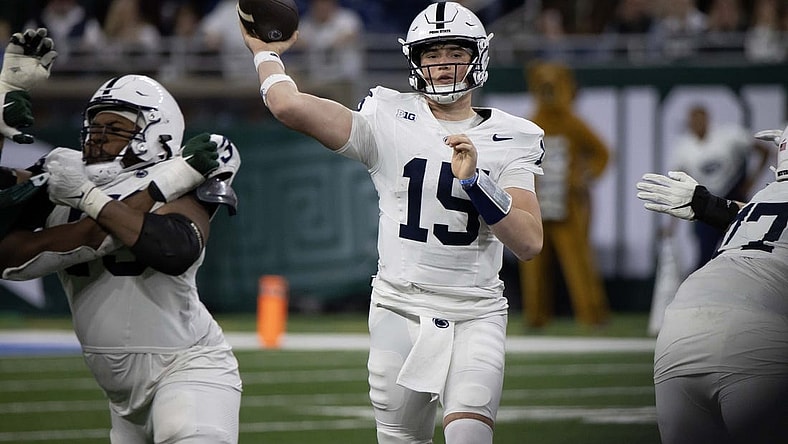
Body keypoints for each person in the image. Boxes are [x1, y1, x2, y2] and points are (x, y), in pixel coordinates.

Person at [240, 2, 545, 442]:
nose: (443, 65)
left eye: (455, 52)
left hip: (475, 312)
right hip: (399, 307)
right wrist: (264, 53)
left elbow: (529, 241)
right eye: (432, 55)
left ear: (478, 54)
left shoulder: (515, 135)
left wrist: (478, 183)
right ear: (415, 61)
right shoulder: (386, 115)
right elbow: (288, 106)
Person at [0, 29, 243, 443]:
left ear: (157, 133)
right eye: (93, 127)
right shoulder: (66, 173)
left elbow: (173, 248)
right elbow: (8, 253)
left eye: (114, 128)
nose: (97, 138)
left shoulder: (182, 176)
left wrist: (94, 204)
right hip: (122, 400)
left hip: (189, 368)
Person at [635, 125, 788, 444]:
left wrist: (704, 203)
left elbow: (751, 221)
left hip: (679, 330)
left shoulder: (763, 199)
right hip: (757, 334)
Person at [518, 61, 610, 328]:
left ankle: (592, 314)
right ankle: (535, 316)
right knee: (533, 264)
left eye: (553, 87)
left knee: (579, 263)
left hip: (569, 207)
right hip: (536, 206)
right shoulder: (530, 124)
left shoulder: (573, 124)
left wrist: (586, 176)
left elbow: (602, 153)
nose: (548, 93)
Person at [669, 103, 770, 270]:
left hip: (734, 200)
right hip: (705, 205)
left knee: (741, 253)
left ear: (707, 118)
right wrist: (671, 224)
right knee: (704, 258)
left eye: (700, 119)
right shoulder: (683, 148)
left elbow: (764, 151)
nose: (697, 124)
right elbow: (678, 185)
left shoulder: (729, 135)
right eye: (693, 120)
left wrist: (751, 181)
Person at [295, 0, 364, 107]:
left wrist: (327, 44)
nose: (322, 7)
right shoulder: (307, 23)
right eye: (318, 4)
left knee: (344, 112)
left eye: (325, 3)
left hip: (343, 78)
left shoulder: (346, 19)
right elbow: (297, 40)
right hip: (318, 79)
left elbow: (351, 34)